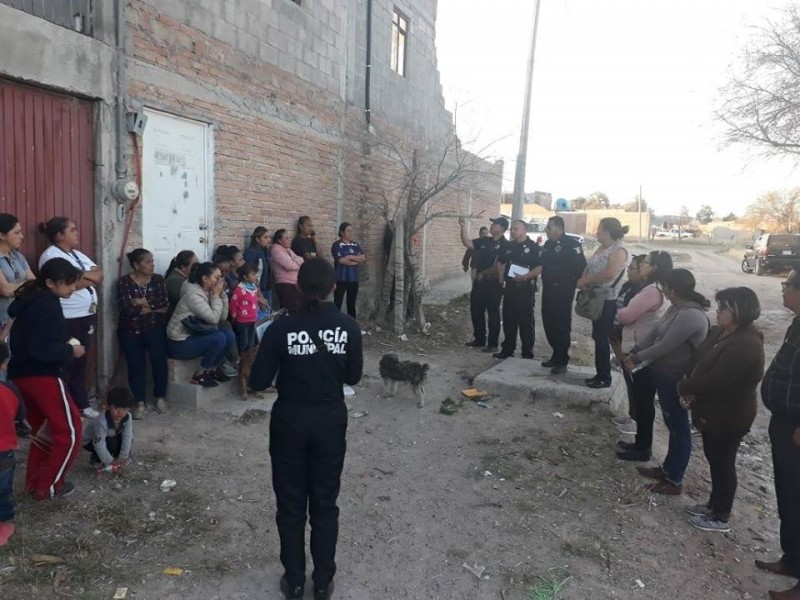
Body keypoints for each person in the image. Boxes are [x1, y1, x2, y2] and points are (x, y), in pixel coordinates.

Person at [250, 258, 363, 600]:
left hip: (290, 421)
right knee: (325, 503)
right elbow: (353, 376)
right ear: (333, 287)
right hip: (330, 420)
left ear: (298, 287)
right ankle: (323, 581)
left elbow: (258, 380)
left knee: (290, 503)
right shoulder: (348, 326)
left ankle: (296, 581)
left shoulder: (281, 328)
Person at [675, 287, 764, 533]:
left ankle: (721, 515)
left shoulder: (747, 343)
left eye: (723, 307)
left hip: (729, 415)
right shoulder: (721, 333)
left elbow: (718, 380)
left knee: (723, 462)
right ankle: (713, 504)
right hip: (712, 411)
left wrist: (685, 386)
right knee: (714, 458)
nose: (718, 311)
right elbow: (698, 359)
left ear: (738, 311)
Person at [623, 269, 710, 495]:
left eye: (665, 288)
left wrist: (637, 358)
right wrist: (636, 349)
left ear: (672, 289)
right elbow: (655, 333)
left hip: (675, 377)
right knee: (672, 425)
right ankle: (668, 469)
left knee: (679, 428)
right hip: (664, 374)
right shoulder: (676, 308)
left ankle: (674, 479)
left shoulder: (691, 315)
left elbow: (665, 345)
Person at [7, 258, 85, 500]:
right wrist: (70, 350)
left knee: (44, 431)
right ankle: (50, 486)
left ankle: (34, 483)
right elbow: (41, 349)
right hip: (43, 375)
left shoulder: (32, 300)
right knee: (69, 431)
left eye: (74, 282)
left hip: (22, 375)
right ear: (51, 283)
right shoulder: (47, 305)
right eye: (68, 283)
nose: (73, 288)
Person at [755, 269, 800, 600]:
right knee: (788, 495)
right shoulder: (797, 323)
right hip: (784, 422)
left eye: (788, 285)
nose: (782, 289)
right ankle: (793, 559)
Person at [38, 217, 104, 418]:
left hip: (85, 315)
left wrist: (83, 277)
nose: (77, 233)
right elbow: (67, 283)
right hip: (68, 317)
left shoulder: (76, 254)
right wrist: (83, 278)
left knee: (81, 360)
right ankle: (64, 407)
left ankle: (81, 403)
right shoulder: (51, 255)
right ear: (59, 235)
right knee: (66, 361)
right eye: (72, 230)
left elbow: (98, 274)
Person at [613, 251, 673, 447]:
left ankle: (643, 446)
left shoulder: (651, 291)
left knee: (643, 400)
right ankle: (641, 443)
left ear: (653, 267)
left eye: (645, 262)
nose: (641, 266)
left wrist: (619, 311)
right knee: (642, 399)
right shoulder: (658, 288)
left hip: (640, 349)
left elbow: (626, 316)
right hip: (645, 347)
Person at [117, 249, 169, 419]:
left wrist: (140, 302)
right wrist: (152, 307)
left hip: (154, 327)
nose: (152, 264)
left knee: (159, 361)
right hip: (130, 330)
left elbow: (164, 303)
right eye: (148, 262)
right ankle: (140, 401)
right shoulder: (124, 282)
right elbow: (126, 309)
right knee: (136, 365)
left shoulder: (158, 279)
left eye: (152, 261)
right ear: (136, 265)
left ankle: (160, 396)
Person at [166, 262, 236, 388]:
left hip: (195, 335)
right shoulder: (193, 295)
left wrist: (222, 295)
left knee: (229, 335)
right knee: (219, 338)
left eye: (221, 277)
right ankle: (200, 374)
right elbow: (214, 319)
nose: (220, 281)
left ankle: (213, 369)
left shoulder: (209, 291)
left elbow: (222, 317)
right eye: (217, 277)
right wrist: (216, 296)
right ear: (205, 279)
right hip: (179, 343)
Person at [577, 218, 629, 388]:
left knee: (601, 337)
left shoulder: (618, 250)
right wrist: (583, 279)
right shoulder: (601, 248)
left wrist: (587, 280)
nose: (596, 233)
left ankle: (605, 377)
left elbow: (610, 273)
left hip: (607, 300)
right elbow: (589, 265)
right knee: (597, 336)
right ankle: (599, 373)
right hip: (595, 297)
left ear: (607, 231)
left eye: (599, 230)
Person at [0, 213, 35, 436]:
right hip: (1, 323)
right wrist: (24, 285)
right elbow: (5, 290)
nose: (21, 236)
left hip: (18, 323)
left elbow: (34, 283)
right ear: (2, 235)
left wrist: (19, 286)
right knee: (1, 371)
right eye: (17, 232)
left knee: (15, 368)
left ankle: (16, 416)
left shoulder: (18, 257)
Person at [539, 216, 586, 375]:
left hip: (563, 290)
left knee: (561, 324)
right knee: (548, 322)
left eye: (549, 227)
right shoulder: (548, 244)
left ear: (559, 228)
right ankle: (555, 354)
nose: (547, 230)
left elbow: (581, 267)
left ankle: (562, 359)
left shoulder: (572, 245)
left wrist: (577, 284)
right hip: (548, 289)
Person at [459, 216, 509, 353]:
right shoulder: (485, 241)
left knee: (493, 313)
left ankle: (492, 344)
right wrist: (462, 227)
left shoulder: (506, 245)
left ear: (502, 228)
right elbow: (468, 243)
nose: (491, 226)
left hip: (494, 283)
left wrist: (484, 273)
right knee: (476, 310)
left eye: (495, 224)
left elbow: (501, 265)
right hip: (480, 282)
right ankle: (479, 338)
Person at [494, 219, 542, 359]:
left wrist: (525, 276)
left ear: (524, 230)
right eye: (512, 229)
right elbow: (500, 261)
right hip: (510, 288)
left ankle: (527, 352)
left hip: (525, 289)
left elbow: (539, 268)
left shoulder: (534, 248)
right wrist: (501, 276)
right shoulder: (509, 246)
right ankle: (507, 349)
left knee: (526, 322)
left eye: (516, 229)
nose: (513, 231)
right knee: (509, 320)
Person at [82, 387, 134, 473]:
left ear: (129, 409)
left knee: (127, 438)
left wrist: (123, 456)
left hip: (111, 435)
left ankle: (115, 457)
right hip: (91, 441)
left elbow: (128, 436)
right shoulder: (101, 421)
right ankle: (97, 459)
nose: (120, 412)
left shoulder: (128, 417)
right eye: (116, 408)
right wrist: (110, 461)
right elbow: (99, 444)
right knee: (111, 443)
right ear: (109, 407)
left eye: (124, 409)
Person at [0, 342, 18, 545]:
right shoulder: (10, 389)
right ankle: (5, 522)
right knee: (3, 489)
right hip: (4, 450)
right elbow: (21, 414)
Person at [331, 222, 366, 319]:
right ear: (342, 232)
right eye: (348, 231)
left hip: (353, 279)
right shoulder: (337, 245)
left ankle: (352, 324)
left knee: (351, 305)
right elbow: (341, 260)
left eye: (351, 231)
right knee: (337, 304)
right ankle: (336, 324)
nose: (351, 233)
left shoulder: (355, 245)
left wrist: (350, 257)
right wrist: (356, 260)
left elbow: (363, 258)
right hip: (340, 279)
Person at [230, 263, 260, 356]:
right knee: (244, 341)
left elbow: (254, 301)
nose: (256, 276)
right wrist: (234, 316)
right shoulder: (239, 290)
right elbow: (234, 303)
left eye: (255, 274)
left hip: (253, 319)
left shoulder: (253, 287)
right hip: (243, 320)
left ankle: (249, 358)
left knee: (251, 341)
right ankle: (241, 357)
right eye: (253, 275)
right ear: (245, 277)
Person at [272, 229, 304, 314]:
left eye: (289, 237)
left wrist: (294, 260)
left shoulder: (288, 250)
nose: (289, 240)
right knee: (290, 310)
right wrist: (296, 263)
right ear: (279, 240)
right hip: (285, 284)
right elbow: (289, 265)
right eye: (286, 238)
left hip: (294, 284)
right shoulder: (276, 250)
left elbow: (301, 260)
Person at [244, 226, 273, 306]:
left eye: (269, 237)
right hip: (257, 288)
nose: (269, 240)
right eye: (265, 237)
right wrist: (256, 288)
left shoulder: (266, 251)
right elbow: (249, 271)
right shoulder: (251, 252)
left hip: (268, 287)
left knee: (267, 310)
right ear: (257, 239)